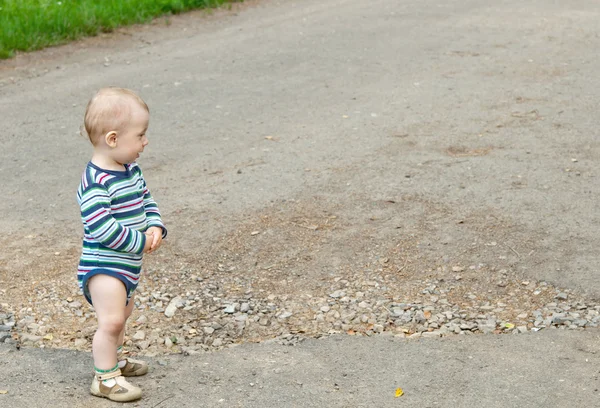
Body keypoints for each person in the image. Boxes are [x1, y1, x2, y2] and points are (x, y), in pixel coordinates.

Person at [76, 87, 167, 402]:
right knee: (111, 320)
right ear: (113, 139)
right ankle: (104, 378)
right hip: (103, 265)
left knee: (124, 314)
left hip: (126, 265)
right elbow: (103, 228)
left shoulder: (130, 170)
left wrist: (155, 224)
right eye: (140, 135)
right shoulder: (94, 183)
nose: (145, 141)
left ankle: (115, 360)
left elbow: (146, 199)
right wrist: (140, 241)